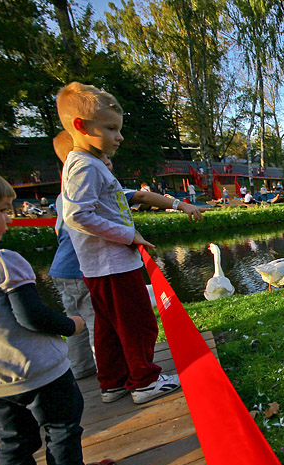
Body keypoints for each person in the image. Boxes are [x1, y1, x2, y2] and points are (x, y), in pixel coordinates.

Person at [0, 163, 115, 465]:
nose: (9, 219)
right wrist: (71, 325)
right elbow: (31, 316)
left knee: (13, 439)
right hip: (39, 370)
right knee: (62, 423)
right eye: (3, 211)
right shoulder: (1, 262)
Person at [56, 81, 181, 405]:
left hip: (99, 266)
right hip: (112, 263)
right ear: (81, 127)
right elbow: (76, 216)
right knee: (137, 323)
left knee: (109, 327)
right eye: (111, 129)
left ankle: (111, 382)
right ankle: (144, 381)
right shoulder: (85, 165)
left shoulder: (87, 164)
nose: (119, 137)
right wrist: (130, 235)